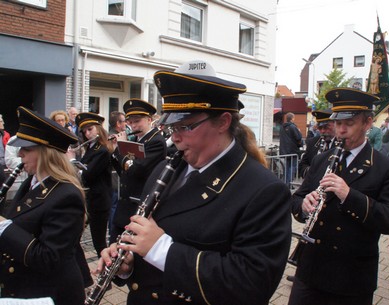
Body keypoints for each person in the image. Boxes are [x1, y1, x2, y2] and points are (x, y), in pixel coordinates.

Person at [96, 60, 292, 305]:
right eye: (171, 127)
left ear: (223, 122)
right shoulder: (164, 169)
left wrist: (160, 249)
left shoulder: (264, 189)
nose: (175, 138)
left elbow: (252, 285)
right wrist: (128, 263)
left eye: (186, 126)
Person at [288, 88, 389, 305]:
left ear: (368, 123)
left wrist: (349, 195)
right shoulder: (322, 159)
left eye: (349, 123)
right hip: (311, 270)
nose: (341, 130)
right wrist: (304, 205)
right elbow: (296, 199)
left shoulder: (387, 167)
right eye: (338, 123)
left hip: (351, 277)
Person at [0, 106, 86, 305]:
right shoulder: (32, 182)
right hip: (24, 284)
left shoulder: (66, 195)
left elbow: (49, 258)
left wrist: (4, 226)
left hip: (49, 293)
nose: (20, 154)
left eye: (27, 149)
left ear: (47, 154)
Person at [109, 99, 166, 243]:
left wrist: (120, 149)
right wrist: (117, 150)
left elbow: (136, 170)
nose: (133, 125)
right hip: (125, 207)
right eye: (131, 122)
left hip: (138, 206)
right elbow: (124, 172)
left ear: (149, 119)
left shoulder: (156, 141)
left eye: (137, 121)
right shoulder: (136, 140)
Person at [71, 112, 113, 258]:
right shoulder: (90, 148)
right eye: (85, 131)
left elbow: (88, 174)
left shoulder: (102, 150)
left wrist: (73, 162)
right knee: (74, 236)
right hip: (89, 199)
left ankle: (108, 271)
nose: (88, 134)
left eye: (90, 129)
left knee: (99, 241)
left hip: (99, 201)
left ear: (98, 128)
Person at [298, 108, 338, 178]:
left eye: (326, 127)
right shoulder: (313, 142)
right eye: (320, 128)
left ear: (336, 124)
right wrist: (311, 172)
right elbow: (302, 165)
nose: (322, 131)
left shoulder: (343, 144)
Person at [280, 112, 303, 185]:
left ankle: (286, 183)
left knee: (287, 167)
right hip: (293, 151)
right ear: (292, 118)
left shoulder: (282, 127)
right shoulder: (293, 127)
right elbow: (298, 137)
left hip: (285, 151)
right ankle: (289, 183)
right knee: (292, 167)